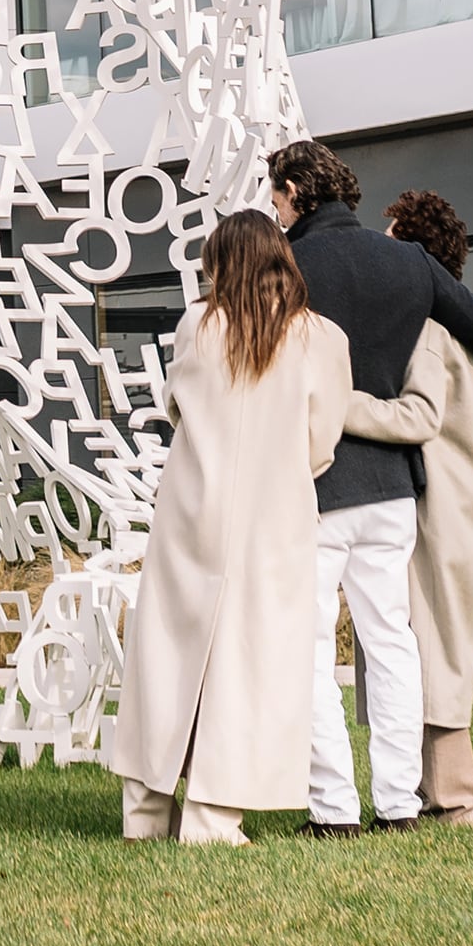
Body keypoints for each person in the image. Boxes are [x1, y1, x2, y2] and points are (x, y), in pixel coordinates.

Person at [270, 138, 473, 837]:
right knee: (394, 645)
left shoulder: (286, 264)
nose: (274, 210)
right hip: (393, 492)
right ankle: (399, 806)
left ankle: (334, 811)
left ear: (293, 190)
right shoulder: (408, 262)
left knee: (312, 650)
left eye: (275, 196)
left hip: (313, 484)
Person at [110, 207, 351, 846]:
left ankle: (146, 814)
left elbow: (173, 405)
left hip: (191, 511)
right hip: (275, 520)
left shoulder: (197, 325)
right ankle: (215, 817)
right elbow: (322, 441)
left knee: (166, 658)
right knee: (251, 664)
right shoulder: (321, 338)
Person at [343, 186, 473, 825]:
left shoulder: (429, 330)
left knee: (424, 644)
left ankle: (452, 799)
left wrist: (334, 403)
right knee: (435, 644)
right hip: (464, 501)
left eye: (391, 238)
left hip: (438, 506)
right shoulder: (460, 327)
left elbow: (418, 417)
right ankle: (439, 796)